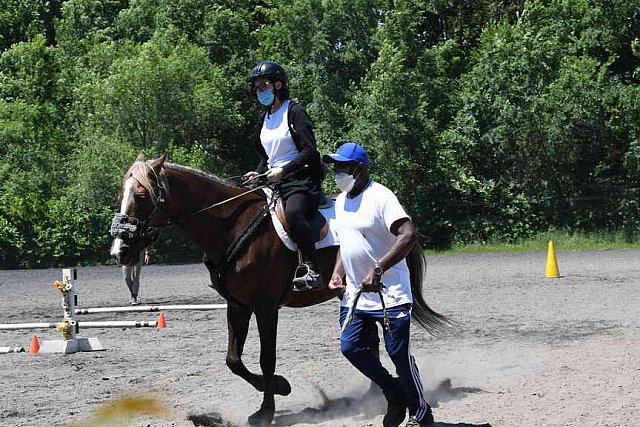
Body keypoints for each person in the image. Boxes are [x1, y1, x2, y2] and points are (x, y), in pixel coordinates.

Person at [323, 142, 435, 427]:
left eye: (343, 168)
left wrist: (378, 268)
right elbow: (344, 243)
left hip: (391, 295)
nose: (337, 173)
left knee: (398, 355)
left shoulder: (381, 196)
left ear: (359, 169)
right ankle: (393, 390)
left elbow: (408, 235)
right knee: (350, 348)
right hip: (356, 296)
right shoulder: (340, 201)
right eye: (335, 167)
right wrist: (338, 272)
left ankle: (421, 413)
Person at [243, 60, 325, 291]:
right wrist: (257, 172)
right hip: (273, 180)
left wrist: (284, 170)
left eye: (264, 85)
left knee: (294, 212)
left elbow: (310, 151)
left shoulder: (295, 111)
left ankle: (312, 268)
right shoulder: (264, 118)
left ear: (278, 85)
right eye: (256, 87)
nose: (259, 91)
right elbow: (268, 156)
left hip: (301, 180)